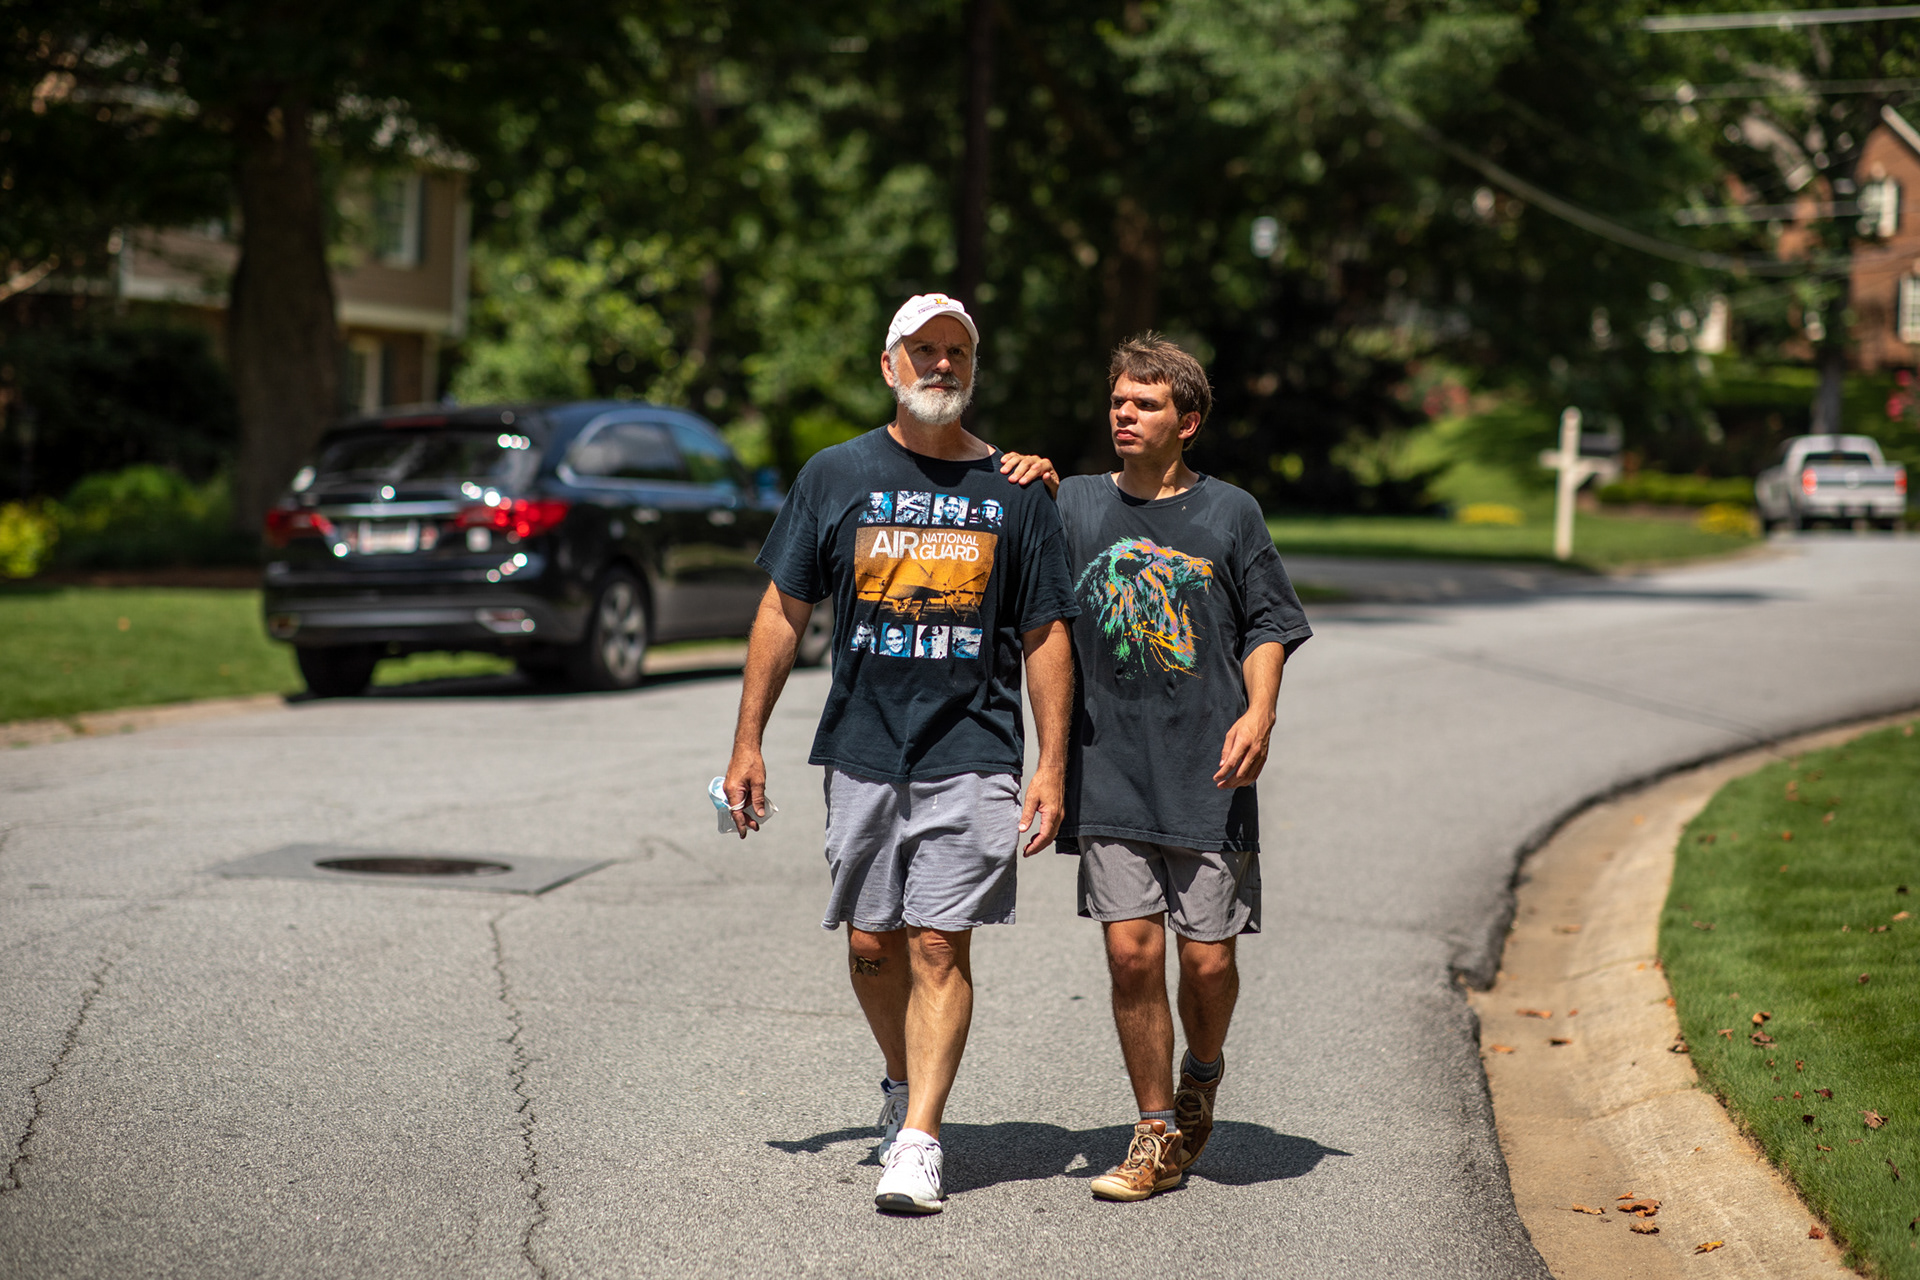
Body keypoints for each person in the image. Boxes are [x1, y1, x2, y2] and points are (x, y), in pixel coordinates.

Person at [723, 293, 1077, 1215]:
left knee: (934, 942)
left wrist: (1049, 765)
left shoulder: (1016, 490)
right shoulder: (835, 475)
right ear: (890, 365)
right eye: (924, 350)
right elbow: (781, 610)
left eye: (957, 351)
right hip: (862, 748)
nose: (942, 365)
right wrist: (748, 741)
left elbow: (1044, 633)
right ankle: (897, 1080)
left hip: (975, 748)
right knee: (873, 944)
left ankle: (921, 1136)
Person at [1003, 334, 1311, 1202]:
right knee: (1133, 956)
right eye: (1118, 402)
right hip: (1111, 770)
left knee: (1206, 962)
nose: (1124, 414)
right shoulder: (1074, 508)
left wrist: (1261, 711)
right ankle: (1153, 1131)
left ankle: (1201, 1070)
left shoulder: (1231, 514)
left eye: (1144, 404)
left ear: (1190, 421)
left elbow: (1268, 624)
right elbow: (1032, 605)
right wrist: (1019, 474)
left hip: (1210, 771)